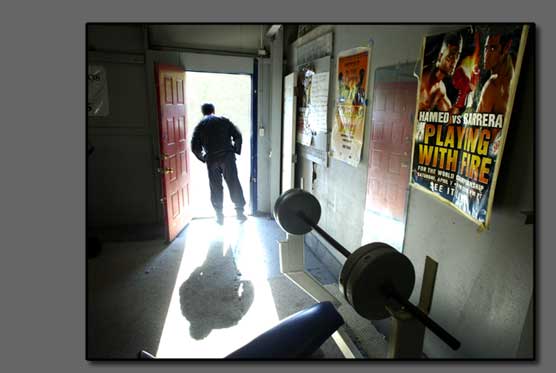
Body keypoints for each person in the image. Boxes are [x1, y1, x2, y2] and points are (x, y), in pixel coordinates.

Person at [191, 103, 247, 225]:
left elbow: (195, 147)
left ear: (203, 112)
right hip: (227, 157)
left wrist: (204, 157)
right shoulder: (224, 120)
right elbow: (238, 136)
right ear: (213, 110)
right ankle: (239, 212)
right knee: (233, 182)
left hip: (212, 159)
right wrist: (235, 150)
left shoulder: (200, 126)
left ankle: (219, 215)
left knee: (215, 186)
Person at [418, 32, 463, 112]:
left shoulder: (440, 90)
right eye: (451, 55)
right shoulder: (421, 76)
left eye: (457, 56)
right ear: (440, 56)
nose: (454, 62)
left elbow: (451, 115)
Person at [476, 30, 514, 114]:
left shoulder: (492, 85)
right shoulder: (511, 73)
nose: (487, 55)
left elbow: (475, 126)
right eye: (486, 48)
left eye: (493, 49)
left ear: (506, 48)